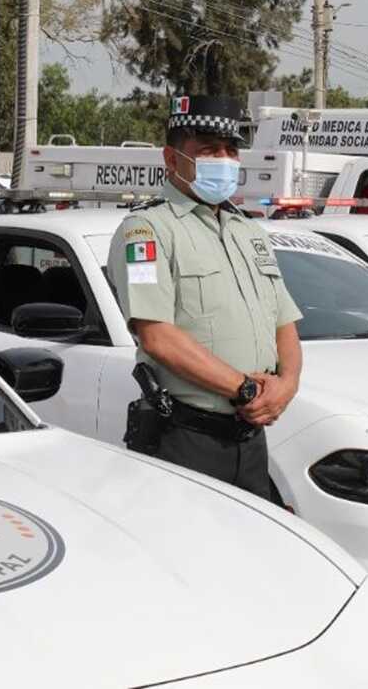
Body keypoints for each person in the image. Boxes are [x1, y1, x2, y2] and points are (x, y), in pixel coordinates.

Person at [108, 95, 303, 502]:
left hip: (250, 441)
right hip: (188, 439)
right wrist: (246, 390)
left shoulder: (248, 232)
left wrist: (287, 384)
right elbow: (157, 335)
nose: (224, 159)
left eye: (231, 150)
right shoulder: (145, 232)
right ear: (171, 157)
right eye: (208, 150)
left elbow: (283, 321)